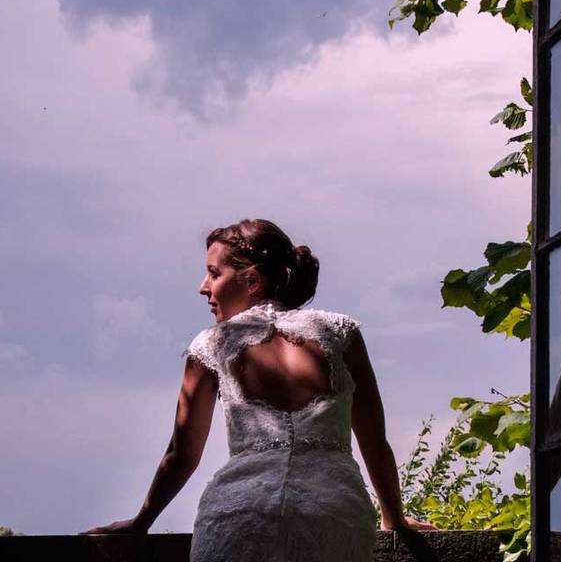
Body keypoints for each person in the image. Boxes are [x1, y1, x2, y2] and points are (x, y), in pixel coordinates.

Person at [82, 218, 436, 559]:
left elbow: (182, 455)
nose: (203, 286)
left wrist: (141, 523)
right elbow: (374, 442)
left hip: (240, 518)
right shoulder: (341, 333)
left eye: (214, 273)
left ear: (251, 280)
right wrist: (393, 517)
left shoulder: (211, 345)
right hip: (334, 516)